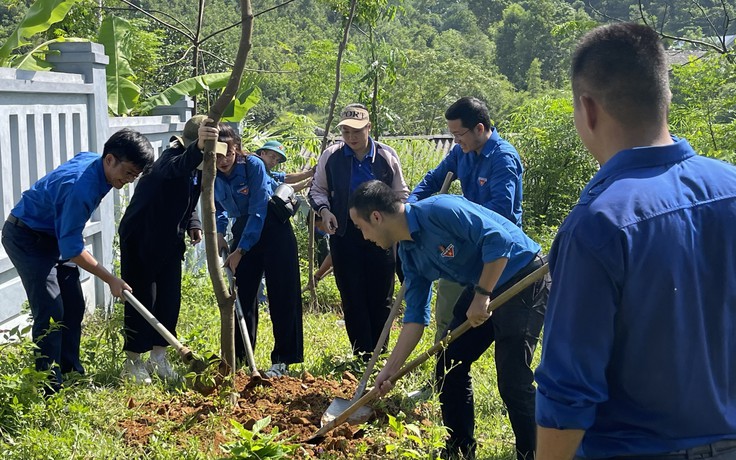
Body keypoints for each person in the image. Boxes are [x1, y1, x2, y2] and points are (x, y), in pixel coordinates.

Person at [534, 23, 736, 460]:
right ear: (665, 97)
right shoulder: (731, 187)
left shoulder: (597, 225)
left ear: (587, 109)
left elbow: (568, 393)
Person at [351, 180, 548, 460]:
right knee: (449, 363)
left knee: (513, 379)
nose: (364, 237)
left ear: (376, 217)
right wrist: (390, 372)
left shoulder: (441, 210)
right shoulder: (409, 254)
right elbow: (415, 320)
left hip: (522, 274)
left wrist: (482, 295)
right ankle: (459, 448)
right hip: (483, 283)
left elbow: (499, 240)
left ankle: (534, 455)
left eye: (361, 228)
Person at [1, 129, 154, 391]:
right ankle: (49, 387)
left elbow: (67, 238)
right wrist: (111, 279)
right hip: (26, 237)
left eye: (134, 176)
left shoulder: (96, 163)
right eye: (127, 172)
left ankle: (71, 373)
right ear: (109, 160)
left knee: (74, 304)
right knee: (51, 310)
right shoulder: (79, 188)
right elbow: (72, 248)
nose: (128, 180)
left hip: (53, 234)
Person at [409, 96, 524, 344]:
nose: (455, 140)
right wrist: (410, 207)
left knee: (495, 329)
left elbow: (501, 212)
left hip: (498, 253)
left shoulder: (502, 158)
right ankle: (442, 378)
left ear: (479, 129)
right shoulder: (462, 153)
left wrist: (457, 219)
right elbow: (433, 180)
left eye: (458, 134)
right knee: (448, 318)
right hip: (464, 248)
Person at [118, 115, 220, 384]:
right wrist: (198, 147)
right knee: (142, 300)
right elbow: (176, 169)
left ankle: (159, 357)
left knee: (169, 299)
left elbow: (189, 200)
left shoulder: (198, 167)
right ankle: (133, 361)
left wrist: (193, 223)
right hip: (141, 239)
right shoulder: (170, 158)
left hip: (170, 241)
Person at [308, 103, 409, 357]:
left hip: (382, 235)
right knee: (352, 295)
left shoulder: (386, 156)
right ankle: (361, 353)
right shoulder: (331, 156)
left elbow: (400, 194)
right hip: (344, 234)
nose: (351, 137)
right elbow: (317, 189)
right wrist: (325, 211)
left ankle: (379, 351)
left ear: (369, 128)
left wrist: (396, 226)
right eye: (346, 132)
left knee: (381, 295)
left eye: (357, 131)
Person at [216, 127, 303, 377]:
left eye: (228, 154)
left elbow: (257, 210)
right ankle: (242, 358)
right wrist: (221, 233)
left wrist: (241, 250)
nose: (223, 161)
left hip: (272, 226)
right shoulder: (211, 172)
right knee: (242, 295)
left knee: (282, 294)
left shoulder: (253, 165)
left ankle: (283, 360)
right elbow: (216, 207)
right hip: (243, 229)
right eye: (218, 155)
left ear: (237, 151)